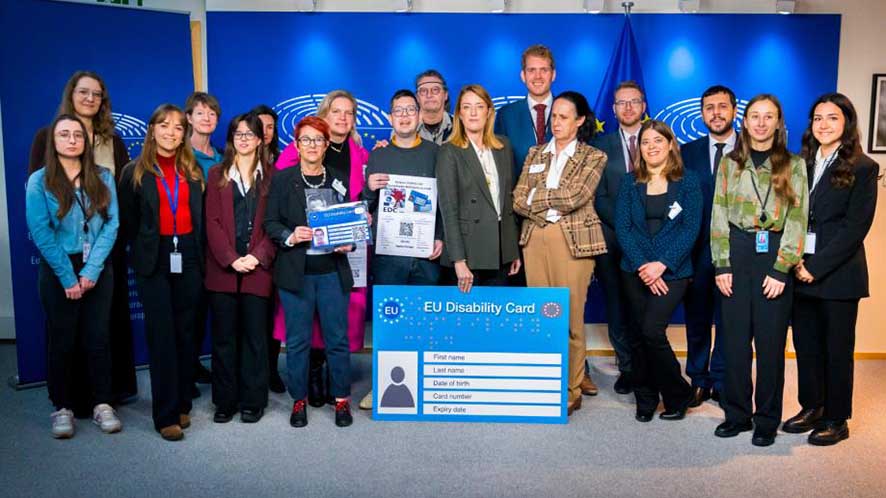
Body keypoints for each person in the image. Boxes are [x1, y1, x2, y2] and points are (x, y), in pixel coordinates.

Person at [29, 70, 137, 409]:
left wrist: (99, 258)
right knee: (65, 331)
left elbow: (119, 201)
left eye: (97, 94)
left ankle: (106, 395)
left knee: (102, 328)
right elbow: (40, 209)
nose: (90, 98)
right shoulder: (46, 139)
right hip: (63, 253)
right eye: (83, 92)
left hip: (105, 250)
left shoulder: (112, 141)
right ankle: (69, 400)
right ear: (71, 94)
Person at [711, 94, 808, 447]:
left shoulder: (794, 165)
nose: (762, 123)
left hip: (774, 253)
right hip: (736, 252)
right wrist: (722, 264)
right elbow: (719, 213)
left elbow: (797, 217)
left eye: (769, 116)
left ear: (779, 122)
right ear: (745, 122)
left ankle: (767, 418)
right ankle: (737, 414)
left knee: (770, 345)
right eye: (755, 116)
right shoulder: (729, 163)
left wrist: (782, 269)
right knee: (735, 343)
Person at [783, 93, 879, 446]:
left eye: (833, 117)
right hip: (799, 269)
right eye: (818, 118)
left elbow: (855, 227)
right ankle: (813, 407)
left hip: (838, 274)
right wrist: (795, 262)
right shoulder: (800, 164)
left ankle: (837, 419)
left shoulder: (864, 167)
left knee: (836, 349)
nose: (824, 124)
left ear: (847, 122)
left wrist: (815, 267)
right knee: (806, 346)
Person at [26, 114, 121, 438]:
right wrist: (68, 278)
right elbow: (41, 231)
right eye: (64, 134)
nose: (71, 140)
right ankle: (62, 407)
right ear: (53, 141)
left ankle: (102, 403)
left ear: (85, 142)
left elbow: (112, 224)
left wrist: (91, 270)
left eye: (77, 135)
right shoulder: (39, 181)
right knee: (62, 339)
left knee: (98, 337)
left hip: (97, 264)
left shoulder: (103, 177)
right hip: (58, 267)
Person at [512, 91, 606, 416]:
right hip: (534, 239)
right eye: (554, 116)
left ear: (579, 121)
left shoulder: (593, 156)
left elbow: (576, 196)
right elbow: (517, 199)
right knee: (542, 317)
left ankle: (571, 389)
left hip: (573, 243)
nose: (556, 122)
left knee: (570, 319)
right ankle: (545, 383)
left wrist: (537, 197)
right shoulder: (535, 153)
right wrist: (543, 200)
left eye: (564, 116)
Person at [275, 90, 370, 407]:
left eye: (349, 112)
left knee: (337, 326)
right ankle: (309, 382)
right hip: (301, 259)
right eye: (336, 111)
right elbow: (278, 207)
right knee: (303, 331)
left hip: (339, 256)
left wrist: (359, 221)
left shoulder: (357, 156)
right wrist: (293, 234)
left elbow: (358, 202)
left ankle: (336, 387)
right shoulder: (295, 157)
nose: (343, 117)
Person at [118, 104, 205, 441]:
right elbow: (128, 224)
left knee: (186, 333)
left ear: (184, 135)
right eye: (164, 125)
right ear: (152, 129)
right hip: (154, 259)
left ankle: (182, 402)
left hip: (189, 256)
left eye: (178, 127)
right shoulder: (134, 172)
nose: (171, 132)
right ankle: (165, 414)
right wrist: (147, 247)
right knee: (162, 336)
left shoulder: (192, 171)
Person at [264, 116, 355, 428]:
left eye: (318, 140)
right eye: (306, 139)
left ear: (327, 144)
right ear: (297, 145)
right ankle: (298, 399)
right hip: (297, 273)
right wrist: (291, 235)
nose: (312, 145)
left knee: (337, 340)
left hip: (332, 272)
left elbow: (350, 224)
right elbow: (270, 222)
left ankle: (341, 399)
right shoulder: (282, 179)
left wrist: (349, 243)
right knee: (298, 341)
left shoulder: (339, 179)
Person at [359, 89, 444, 410]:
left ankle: (425, 386)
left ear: (420, 115)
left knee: (424, 321)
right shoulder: (378, 155)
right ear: (390, 117)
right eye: (399, 110)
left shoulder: (437, 153)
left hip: (426, 254)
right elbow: (367, 207)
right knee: (388, 322)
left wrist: (441, 237)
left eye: (411, 110)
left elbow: (447, 202)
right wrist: (368, 189)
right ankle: (383, 384)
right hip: (389, 255)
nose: (405, 116)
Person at [615, 120, 702, 422]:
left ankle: (678, 393)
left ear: (670, 145)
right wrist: (643, 266)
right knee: (638, 335)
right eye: (645, 142)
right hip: (635, 269)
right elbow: (623, 228)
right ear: (638, 148)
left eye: (658, 141)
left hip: (673, 271)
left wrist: (661, 264)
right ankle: (646, 397)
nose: (651, 147)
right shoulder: (629, 182)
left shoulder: (688, 181)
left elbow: (691, 228)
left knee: (652, 330)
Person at [204, 113, 276, 424]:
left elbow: (276, 224)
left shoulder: (273, 177)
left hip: (258, 270)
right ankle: (225, 400)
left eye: (249, 134)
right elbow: (211, 222)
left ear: (260, 139)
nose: (243, 139)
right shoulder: (216, 174)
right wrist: (231, 258)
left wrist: (256, 257)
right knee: (223, 339)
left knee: (255, 339)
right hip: (223, 269)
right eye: (238, 133)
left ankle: (253, 400)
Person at [679, 85, 738, 407]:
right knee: (698, 318)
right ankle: (698, 379)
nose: (716, 113)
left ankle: (722, 379)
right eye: (709, 108)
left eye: (722, 106)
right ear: (702, 114)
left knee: (730, 320)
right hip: (698, 249)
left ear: (734, 111)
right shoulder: (686, 152)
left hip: (738, 251)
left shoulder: (752, 150)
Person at [592, 80, 649, 396]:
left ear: (643, 106)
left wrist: (643, 230)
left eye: (634, 101)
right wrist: (626, 228)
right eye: (621, 103)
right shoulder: (600, 146)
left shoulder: (659, 139)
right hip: (612, 238)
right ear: (613, 109)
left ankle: (647, 365)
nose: (628, 107)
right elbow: (598, 196)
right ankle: (626, 367)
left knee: (646, 305)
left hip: (651, 239)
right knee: (616, 304)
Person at [437, 84, 521, 292]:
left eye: (479, 106)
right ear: (459, 114)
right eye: (467, 107)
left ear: (489, 112)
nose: (473, 113)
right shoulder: (449, 151)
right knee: (468, 313)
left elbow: (508, 201)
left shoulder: (503, 146)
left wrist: (512, 250)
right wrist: (458, 260)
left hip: (501, 250)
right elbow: (448, 210)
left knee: (498, 311)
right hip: (468, 253)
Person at [185, 91, 222, 392]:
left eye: (211, 113)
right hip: (192, 245)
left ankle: (200, 365)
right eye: (200, 113)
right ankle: (187, 368)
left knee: (215, 310)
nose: (206, 118)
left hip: (220, 246)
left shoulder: (223, 156)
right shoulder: (181, 156)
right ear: (188, 118)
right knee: (191, 311)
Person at [250, 104, 287, 394]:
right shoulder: (236, 161)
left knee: (273, 315)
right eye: (259, 126)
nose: (265, 131)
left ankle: (272, 370)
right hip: (246, 250)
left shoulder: (283, 161)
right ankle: (253, 372)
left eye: (271, 127)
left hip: (276, 248)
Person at [494, 44, 556, 180]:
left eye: (544, 70)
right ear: (523, 75)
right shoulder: (506, 115)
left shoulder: (570, 112)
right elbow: (500, 166)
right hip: (519, 192)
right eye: (531, 70)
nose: (538, 76)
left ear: (553, 75)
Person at [415, 69, 454, 144]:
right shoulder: (405, 129)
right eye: (423, 91)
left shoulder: (461, 127)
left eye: (435, 90)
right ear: (417, 97)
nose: (429, 95)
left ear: (445, 95)